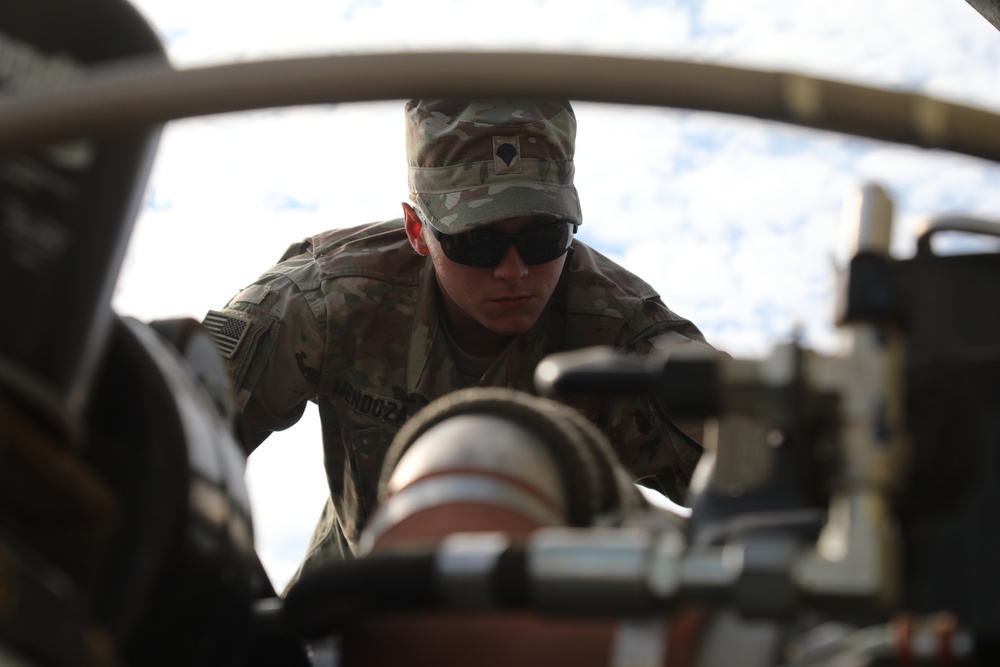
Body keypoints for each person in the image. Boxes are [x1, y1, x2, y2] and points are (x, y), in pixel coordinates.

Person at [202, 99, 715, 587]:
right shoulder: (325, 301)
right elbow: (167, 424)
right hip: (353, 606)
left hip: (554, 622)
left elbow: (759, 464)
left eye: (544, 238)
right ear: (418, 231)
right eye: (477, 242)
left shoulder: (622, 334)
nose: (514, 271)